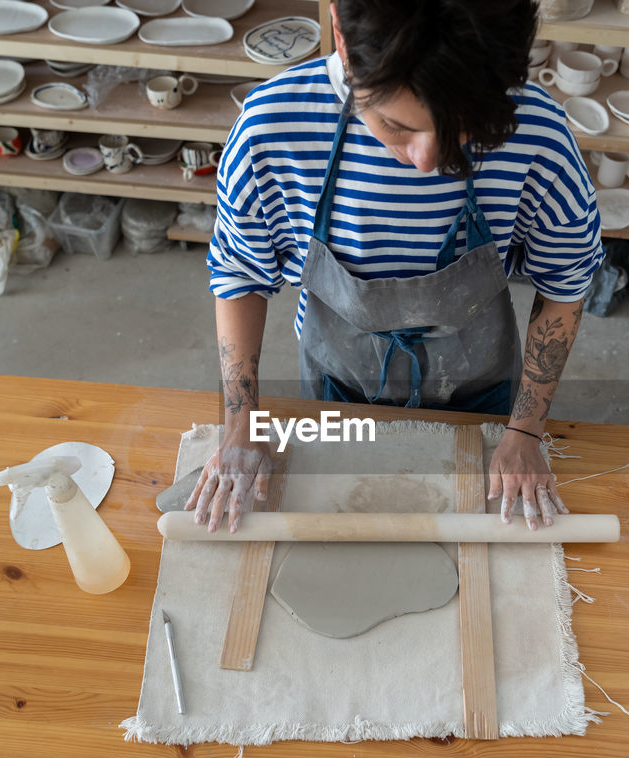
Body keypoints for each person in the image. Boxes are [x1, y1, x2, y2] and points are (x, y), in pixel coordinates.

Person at [188, 0, 603, 533]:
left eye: (463, 128)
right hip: (339, 387)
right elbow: (240, 277)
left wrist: (524, 433)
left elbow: (565, 284)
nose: (430, 159)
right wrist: (240, 428)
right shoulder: (273, 131)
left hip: (481, 392)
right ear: (341, 36)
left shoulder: (537, 134)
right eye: (396, 124)